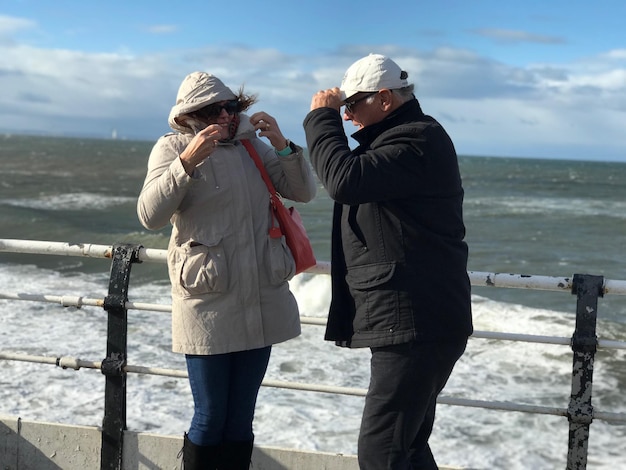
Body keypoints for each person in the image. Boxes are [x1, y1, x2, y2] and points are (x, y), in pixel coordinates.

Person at [137, 71, 316, 470]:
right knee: (210, 416)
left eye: (231, 106)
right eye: (213, 109)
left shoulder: (253, 148)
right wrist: (186, 163)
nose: (226, 115)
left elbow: (303, 192)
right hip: (208, 301)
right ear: (190, 115)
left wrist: (283, 145)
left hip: (261, 295)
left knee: (240, 420)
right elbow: (150, 215)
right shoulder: (173, 147)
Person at [303, 54, 473, 469]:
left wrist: (320, 118)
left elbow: (343, 180)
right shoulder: (402, 140)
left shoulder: (417, 139)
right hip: (420, 318)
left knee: (382, 451)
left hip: (415, 321)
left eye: (351, 105)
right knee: (407, 447)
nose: (346, 116)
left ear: (383, 99)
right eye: (341, 109)